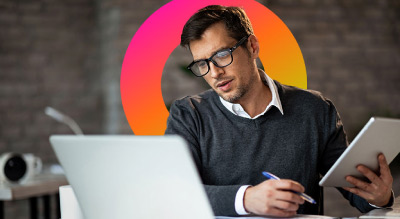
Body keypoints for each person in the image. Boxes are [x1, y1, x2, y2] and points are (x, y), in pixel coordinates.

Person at [164, 5, 394, 217]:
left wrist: (379, 197)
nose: (214, 73)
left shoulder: (315, 110)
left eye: (222, 55)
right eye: (202, 64)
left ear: (252, 47)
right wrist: (246, 199)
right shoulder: (188, 114)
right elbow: (173, 191)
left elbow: (357, 191)